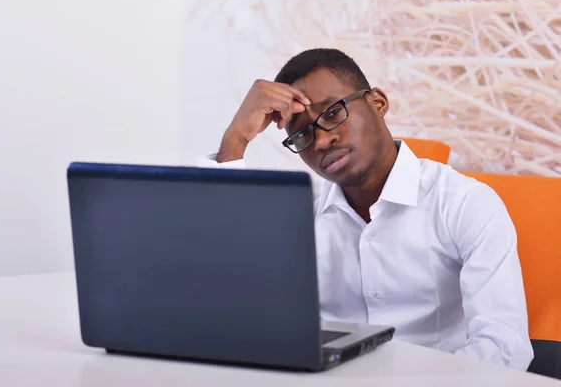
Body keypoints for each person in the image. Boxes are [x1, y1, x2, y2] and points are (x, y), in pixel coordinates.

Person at [197, 48, 534, 370]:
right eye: (302, 135)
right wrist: (235, 141)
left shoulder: (464, 203)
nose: (322, 141)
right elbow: (221, 286)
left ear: (378, 103)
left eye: (332, 113)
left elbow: (503, 346)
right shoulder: (300, 215)